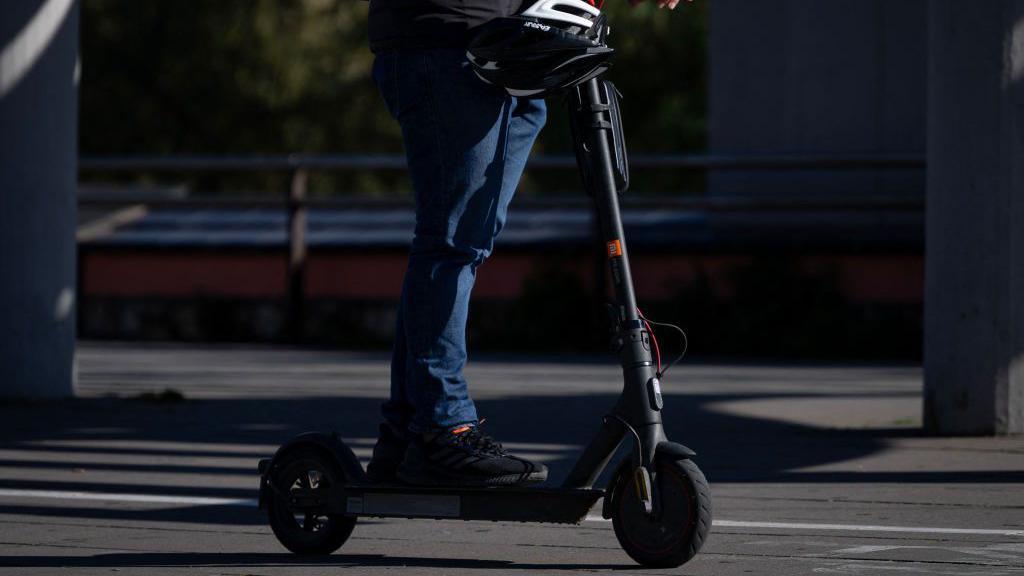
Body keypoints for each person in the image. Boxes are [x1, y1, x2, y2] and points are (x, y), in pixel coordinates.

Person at [365, 0, 686, 487]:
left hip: (519, 43)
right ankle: (441, 428)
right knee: (452, 242)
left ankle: (408, 434)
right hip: (450, 40)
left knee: (462, 243)